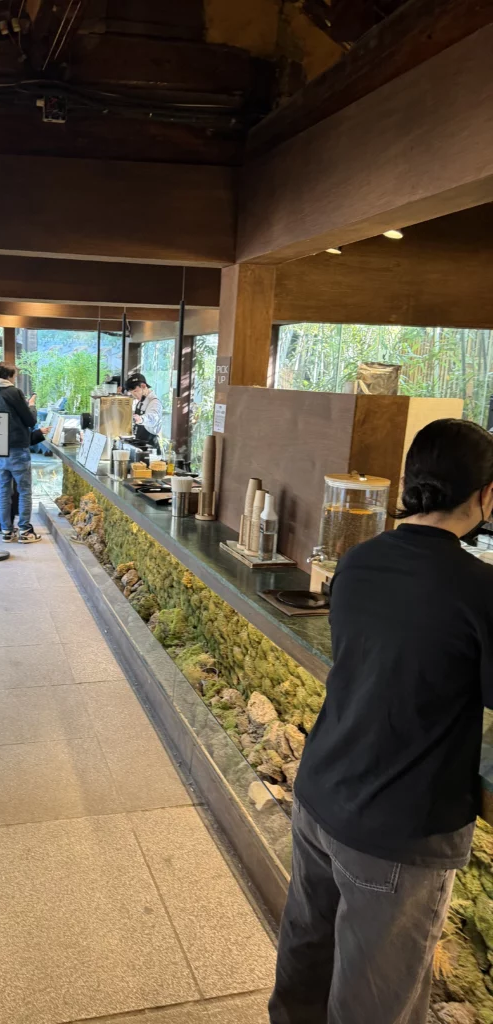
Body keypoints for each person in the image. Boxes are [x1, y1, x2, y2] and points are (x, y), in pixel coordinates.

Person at [269, 418, 493, 1024]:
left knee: (305, 965)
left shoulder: (360, 560)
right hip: (398, 826)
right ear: (485, 496)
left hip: (321, 794)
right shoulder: (480, 587)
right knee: (374, 1004)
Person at [0, 361, 40, 543]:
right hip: (17, 447)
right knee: (24, 490)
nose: (16, 378)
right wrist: (31, 406)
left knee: (3, 489)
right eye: (15, 375)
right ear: (8, 376)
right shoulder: (13, 392)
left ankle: (6, 530)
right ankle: (25, 531)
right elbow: (30, 421)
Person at [124, 373, 163, 453]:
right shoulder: (141, 401)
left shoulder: (154, 402)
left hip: (151, 450)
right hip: (140, 447)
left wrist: (141, 419)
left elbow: (153, 418)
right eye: (132, 392)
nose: (134, 395)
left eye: (135, 391)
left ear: (143, 386)